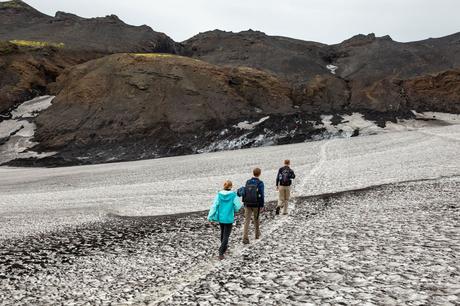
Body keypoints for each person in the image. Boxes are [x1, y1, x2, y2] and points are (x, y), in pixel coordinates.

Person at [208, 180, 242, 260]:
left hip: (221, 217)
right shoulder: (233, 195)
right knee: (226, 235)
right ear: (230, 187)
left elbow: (214, 206)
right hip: (229, 217)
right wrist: (235, 209)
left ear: (224, 186)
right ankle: (221, 251)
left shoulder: (219, 195)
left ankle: (224, 248)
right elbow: (238, 205)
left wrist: (210, 216)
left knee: (222, 233)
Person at [240, 167, 265, 244]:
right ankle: (257, 235)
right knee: (256, 219)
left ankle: (245, 237)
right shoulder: (260, 183)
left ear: (253, 173)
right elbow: (262, 194)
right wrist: (262, 205)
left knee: (247, 220)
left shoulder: (248, 181)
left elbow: (246, 193)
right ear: (259, 174)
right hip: (256, 204)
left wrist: (244, 203)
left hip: (247, 203)